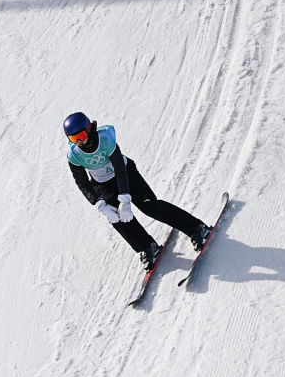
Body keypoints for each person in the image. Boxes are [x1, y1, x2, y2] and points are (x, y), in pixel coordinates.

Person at [63, 111, 212, 271]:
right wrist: (99, 204)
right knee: (116, 217)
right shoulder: (74, 155)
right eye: (73, 139)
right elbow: (82, 182)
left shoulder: (105, 139)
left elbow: (119, 168)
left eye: (81, 135)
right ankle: (147, 247)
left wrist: (125, 199)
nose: (79, 141)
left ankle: (197, 229)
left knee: (150, 206)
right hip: (102, 184)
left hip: (126, 174)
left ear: (89, 128)